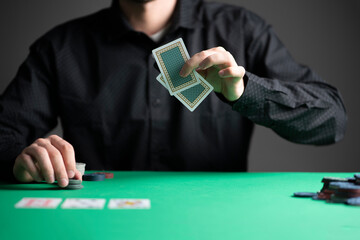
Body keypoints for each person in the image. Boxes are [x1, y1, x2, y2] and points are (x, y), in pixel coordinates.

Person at [0, 0, 347, 186]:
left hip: (214, 228)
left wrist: (245, 91)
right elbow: (5, 132)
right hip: (100, 227)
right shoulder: (61, 47)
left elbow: (332, 120)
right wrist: (19, 160)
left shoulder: (243, 30)